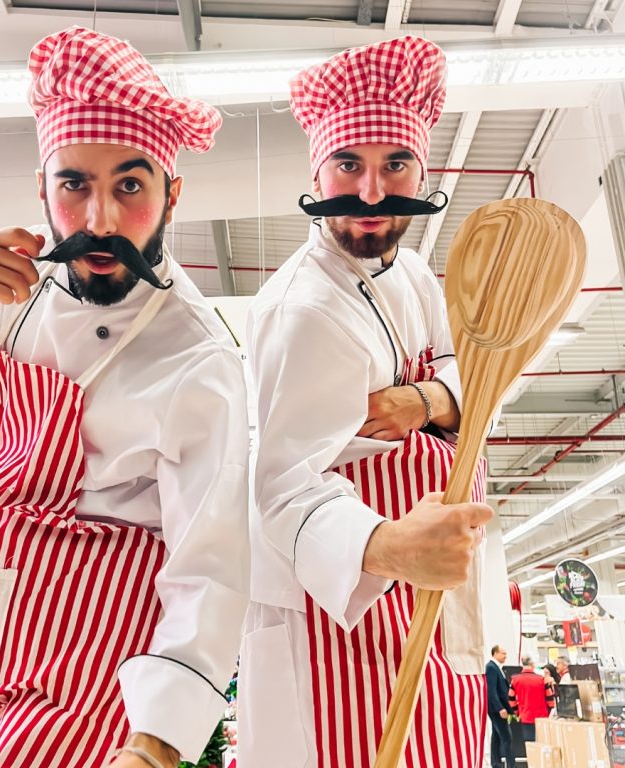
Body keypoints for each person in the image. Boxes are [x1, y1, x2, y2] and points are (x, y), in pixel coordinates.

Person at [0, 27, 250, 768]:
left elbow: (211, 565)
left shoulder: (198, 357)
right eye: (75, 186)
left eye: (130, 186)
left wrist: (157, 744)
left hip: (84, 654)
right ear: (42, 187)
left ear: (173, 193)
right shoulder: (18, 283)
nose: (99, 221)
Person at [238, 36, 494, 768]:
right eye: (349, 164)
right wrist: (392, 548)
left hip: (429, 602)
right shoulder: (303, 310)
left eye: (395, 164)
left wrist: (427, 397)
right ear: (317, 171)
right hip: (340, 619)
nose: (373, 193)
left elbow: (470, 372)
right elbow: (281, 487)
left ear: (424, 170)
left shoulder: (413, 274)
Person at [508, 657, 555, 743]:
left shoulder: (515, 680)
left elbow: (511, 699)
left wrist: (517, 712)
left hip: (525, 716)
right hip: (542, 716)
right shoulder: (542, 679)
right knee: (542, 742)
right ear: (532, 665)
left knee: (529, 744)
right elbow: (550, 699)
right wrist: (550, 711)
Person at [487, 646, 515, 768]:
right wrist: (500, 708)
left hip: (497, 708)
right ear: (495, 653)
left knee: (497, 737)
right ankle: (511, 765)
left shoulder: (496, 668)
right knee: (507, 738)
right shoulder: (491, 668)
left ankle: (496, 763)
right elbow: (491, 691)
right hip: (496, 709)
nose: (505, 656)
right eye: (503, 653)